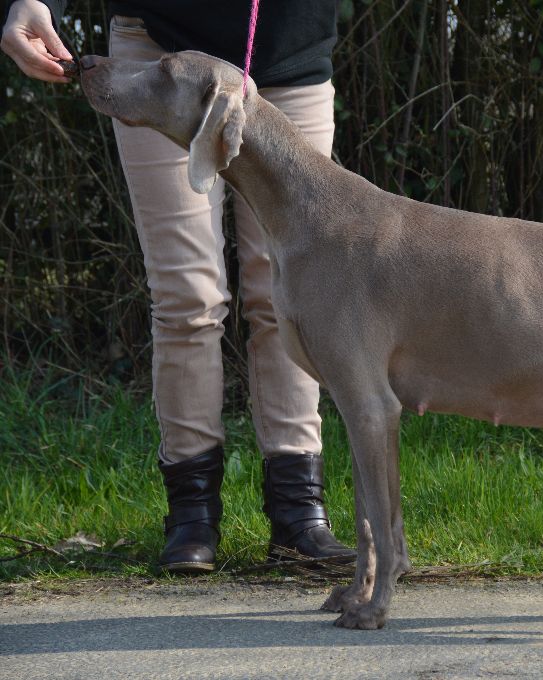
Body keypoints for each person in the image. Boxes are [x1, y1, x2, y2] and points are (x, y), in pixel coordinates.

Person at [1, 0, 355, 572]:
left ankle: (298, 513)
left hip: (289, 56)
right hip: (158, 53)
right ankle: (191, 515)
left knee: (285, 296)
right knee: (188, 296)